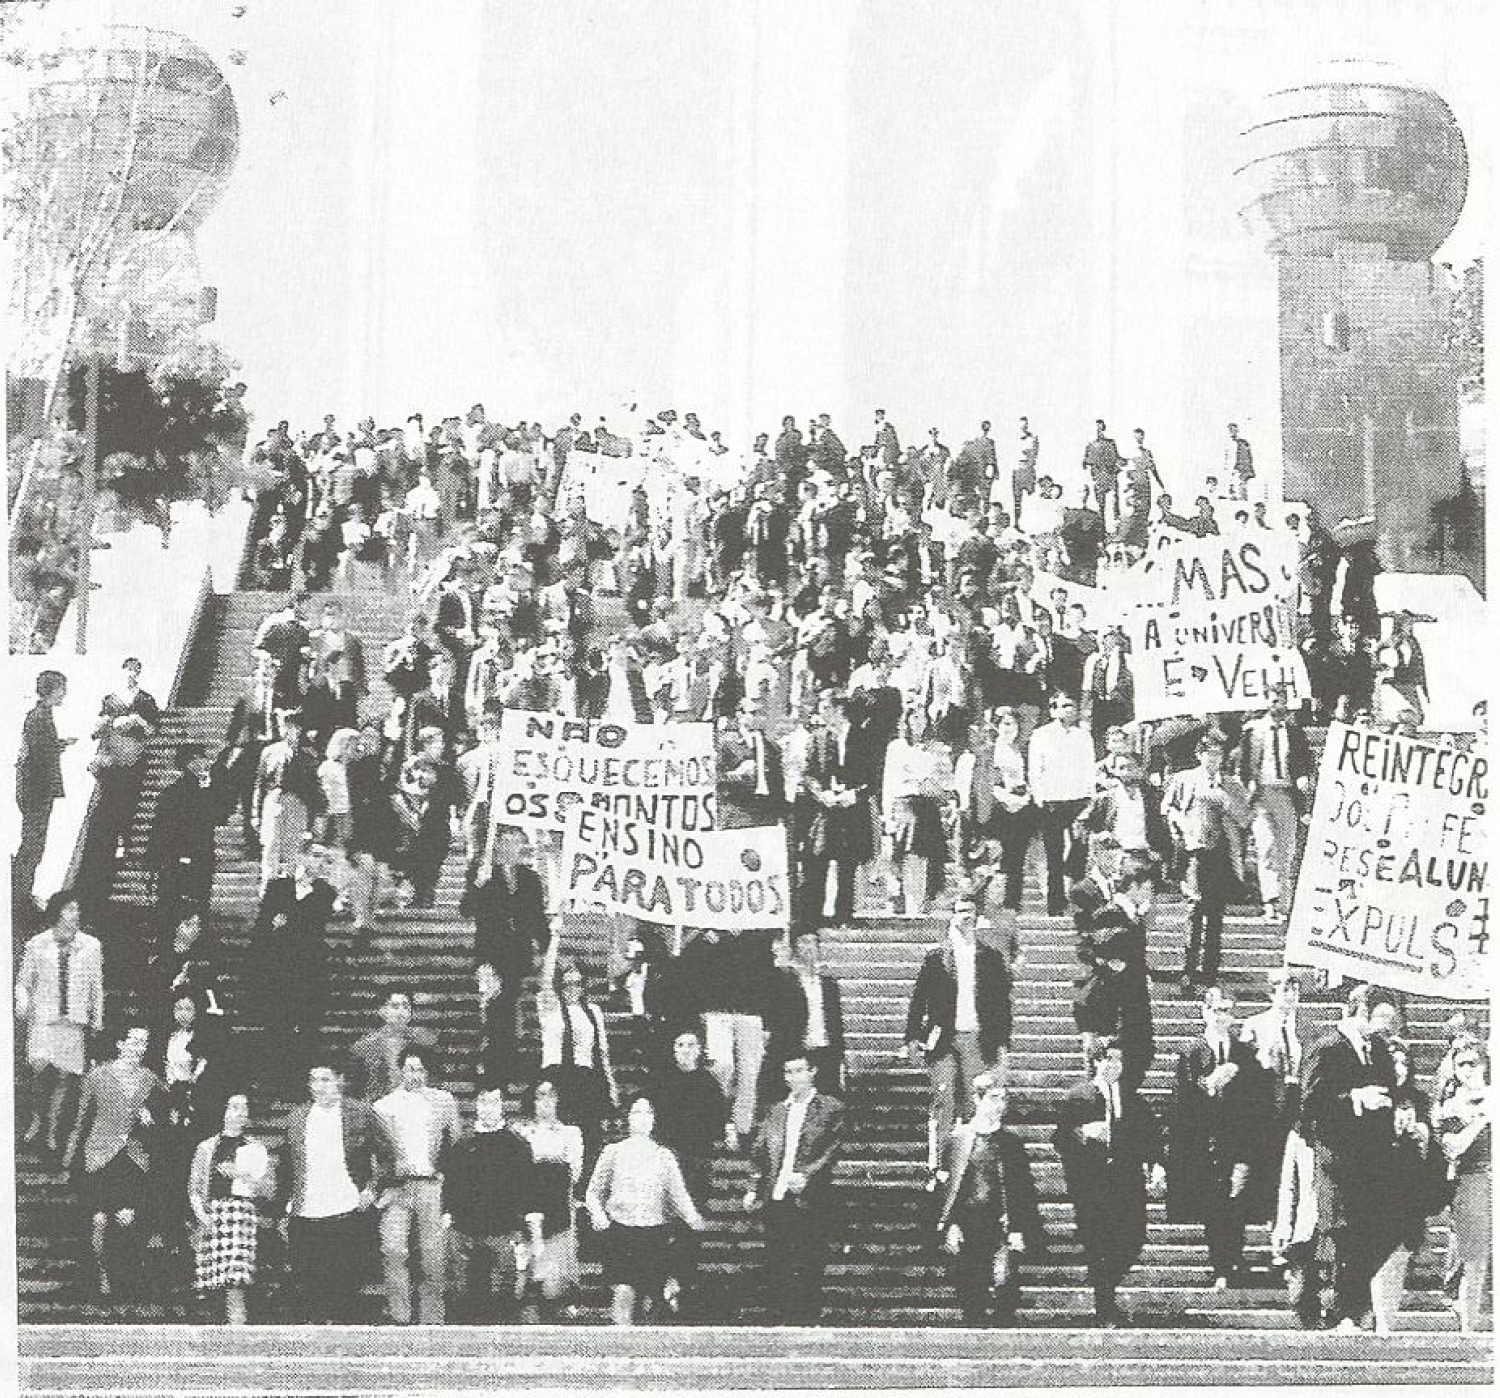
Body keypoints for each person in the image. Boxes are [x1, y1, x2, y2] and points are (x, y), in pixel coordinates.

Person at [1299, 983, 1397, 1332]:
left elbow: (1391, 1094)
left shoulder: (1380, 1050)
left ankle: (1354, 1309)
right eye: (1376, 1018)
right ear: (1355, 1012)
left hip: (1370, 1162)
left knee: (1368, 1232)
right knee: (1339, 1232)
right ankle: (1336, 1311)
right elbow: (1308, 1106)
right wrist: (1355, 1097)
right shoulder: (1326, 1048)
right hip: (1335, 1159)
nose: (1383, 1027)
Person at [1053, 1038, 1165, 1327]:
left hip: (1127, 1183)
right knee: (1098, 1244)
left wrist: (1157, 1165)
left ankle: (1107, 1286)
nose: (1114, 1065)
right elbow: (1060, 1138)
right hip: (1092, 1185)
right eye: (1108, 1059)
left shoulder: (1132, 1098)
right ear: (1096, 1062)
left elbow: (1151, 1137)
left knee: (1134, 1236)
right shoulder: (1077, 1097)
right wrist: (1084, 1132)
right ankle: (1105, 1305)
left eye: (1119, 1059)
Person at [904, 899, 1014, 1178]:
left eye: (970, 913)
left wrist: (1002, 1045)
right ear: (952, 917)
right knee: (944, 1098)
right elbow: (919, 999)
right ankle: (939, 1165)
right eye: (960, 912)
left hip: (977, 1037)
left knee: (972, 1102)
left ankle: (968, 1164)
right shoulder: (937, 956)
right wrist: (912, 1036)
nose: (965, 917)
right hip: (943, 1039)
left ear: (978, 918)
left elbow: (1002, 1005)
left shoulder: (990, 957)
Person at [279, 1058, 394, 1324]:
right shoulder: (297, 1117)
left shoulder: (361, 1112)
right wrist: (285, 1204)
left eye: (325, 1080)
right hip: (306, 1210)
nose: (318, 1086)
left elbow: (388, 1155)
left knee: (345, 1283)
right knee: (308, 1283)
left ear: (340, 1081)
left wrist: (371, 1189)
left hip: (346, 1207)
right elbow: (287, 1163)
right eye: (313, 1080)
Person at [743, 1052, 846, 1326]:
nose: (792, 1078)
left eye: (799, 1071)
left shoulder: (830, 1108)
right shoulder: (776, 1111)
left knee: (809, 1260)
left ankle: (806, 1320)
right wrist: (754, 1186)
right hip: (776, 1196)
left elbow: (832, 1150)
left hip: (809, 1198)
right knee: (778, 1261)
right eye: (788, 1072)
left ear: (812, 1072)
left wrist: (808, 1176)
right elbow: (760, 1152)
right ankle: (781, 1319)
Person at [1166, 986, 1259, 1290]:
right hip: (1203, 1144)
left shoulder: (1243, 1052)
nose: (1223, 1017)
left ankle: (1234, 1259)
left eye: (1228, 1011)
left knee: (1237, 1202)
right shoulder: (1191, 1052)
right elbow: (1181, 1103)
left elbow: (1254, 1101)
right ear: (1205, 1012)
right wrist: (1208, 1084)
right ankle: (1222, 1264)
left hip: (1236, 1140)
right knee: (1215, 1206)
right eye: (1217, 1010)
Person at [935, 1071, 1045, 1327]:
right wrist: (951, 1224)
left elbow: (1023, 1191)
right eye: (993, 1098)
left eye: (1003, 1099)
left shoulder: (1011, 1143)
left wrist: (1019, 1228)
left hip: (999, 1226)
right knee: (970, 1292)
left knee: (1004, 1283)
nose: (999, 1105)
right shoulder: (958, 1140)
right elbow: (950, 1189)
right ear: (978, 1099)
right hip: (968, 1224)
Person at [586, 1095, 708, 1326]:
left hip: (654, 1234)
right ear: (627, 1118)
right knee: (623, 1292)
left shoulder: (664, 1156)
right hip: (621, 1233)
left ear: (654, 1120)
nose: (642, 1118)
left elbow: (679, 1195)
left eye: (647, 1113)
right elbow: (592, 1192)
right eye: (636, 1112)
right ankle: (619, 1346)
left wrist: (692, 1217)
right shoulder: (612, 1152)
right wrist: (598, 1214)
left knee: (650, 1300)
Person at [65, 1024, 162, 1301]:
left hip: (132, 1156)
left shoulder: (149, 1078)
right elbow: (80, 1117)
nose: (139, 1047)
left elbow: (167, 1112)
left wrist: (150, 1113)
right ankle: (100, 1277)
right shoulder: (97, 1075)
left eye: (144, 1042)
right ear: (120, 1043)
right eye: (133, 1040)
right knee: (98, 1219)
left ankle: (126, 1278)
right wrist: (71, 1155)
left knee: (127, 1217)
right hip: (98, 1154)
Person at [373, 1047, 462, 1325]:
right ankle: (400, 1315)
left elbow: (455, 1143)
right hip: (397, 1187)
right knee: (393, 1248)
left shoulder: (443, 1101)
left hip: (431, 1184)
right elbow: (376, 1153)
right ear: (401, 1070)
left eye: (421, 1069)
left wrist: (447, 1176)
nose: (416, 1075)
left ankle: (431, 1318)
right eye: (411, 1068)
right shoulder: (384, 1106)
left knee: (433, 1255)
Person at [646, 1028, 730, 1316]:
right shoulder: (661, 1081)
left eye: (691, 1045)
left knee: (690, 1225)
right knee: (663, 1224)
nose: (685, 1050)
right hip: (668, 1162)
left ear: (699, 1050)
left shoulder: (709, 1083)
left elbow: (719, 1120)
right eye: (679, 1044)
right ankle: (661, 1285)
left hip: (696, 1164)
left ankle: (683, 1282)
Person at [442, 1086, 540, 1323]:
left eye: (494, 1102)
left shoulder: (517, 1145)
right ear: (476, 1105)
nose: (489, 1107)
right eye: (484, 1102)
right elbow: (451, 1185)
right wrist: (448, 1217)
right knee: (463, 1298)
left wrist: (526, 1232)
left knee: (504, 1299)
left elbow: (527, 1191)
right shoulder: (461, 1144)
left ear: (503, 1106)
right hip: (464, 1232)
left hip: (503, 1232)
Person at [16, 892, 104, 1155]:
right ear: (57, 912)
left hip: (73, 1021)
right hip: (44, 1019)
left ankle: (52, 1130)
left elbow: (96, 985)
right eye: (70, 909)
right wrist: (22, 1003)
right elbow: (23, 981)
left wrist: (97, 1017)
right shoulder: (36, 944)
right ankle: (36, 1120)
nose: (75, 914)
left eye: (77, 909)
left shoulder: (91, 945)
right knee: (40, 1072)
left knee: (64, 1078)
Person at [1164, 732, 1250, 988]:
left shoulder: (1232, 784)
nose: (1212, 759)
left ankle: (1210, 971)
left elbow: (1245, 819)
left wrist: (1228, 803)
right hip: (1195, 851)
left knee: (1216, 913)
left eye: (1217, 754)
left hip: (1222, 853)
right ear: (1198, 755)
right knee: (1194, 907)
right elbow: (1167, 808)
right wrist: (1180, 822)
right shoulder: (1184, 778)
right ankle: (1188, 969)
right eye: (1208, 754)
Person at [1369, 1037, 1443, 1336]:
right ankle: (1379, 1321)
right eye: (1392, 1061)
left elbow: (1431, 1148)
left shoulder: (1418, 1098)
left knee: (1400, 1255)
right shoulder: (1375, 1094)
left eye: (1404, 1061)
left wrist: (1421, 1133)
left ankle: (1388, 1320)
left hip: (1409, 1186)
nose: (1398, 1067)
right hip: (1377, 1185)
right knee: (1379, 1253)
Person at [1071, 859, 1156, 1095]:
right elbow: (1091, 949)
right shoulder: (1111, 914)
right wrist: (1110, 962)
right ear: (1134, 887)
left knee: (1140, 1058)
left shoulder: (1133, 916)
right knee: (1118, 1070)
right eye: (1148, 887)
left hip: (1132, 1008)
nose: (1151, 893)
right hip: (1117, 1010)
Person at [189, 1092, 274, 1325]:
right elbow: (195, 1188)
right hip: (213, 1214)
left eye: (243, 1108)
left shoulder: (255, 1148)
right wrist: (201, 1214)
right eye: (233, 1107)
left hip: (240, 1213)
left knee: (235, 1279)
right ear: (223, 1111)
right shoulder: (206, 1147)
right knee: (214, 1281)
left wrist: (240, 1174)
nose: (237, 1112)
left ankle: (238, 1328)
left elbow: (268, 1189)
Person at [537, 934, 619, 1168]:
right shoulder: (549, 1007)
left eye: (577, 983)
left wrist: (611, 1086)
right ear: (560, 986)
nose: (572, 989)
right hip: (556, 1076)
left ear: (584, 986)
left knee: (588, 1137)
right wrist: (553, 937)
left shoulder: (593, 1011)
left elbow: (602, 1051)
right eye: (567, 984)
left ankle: (583, 1192)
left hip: (585, 1078)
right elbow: (545, 979)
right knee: (557, 1135)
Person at [1235, 686, 1313, 921]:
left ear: (1287, 703)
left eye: (1280, 702)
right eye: (1272, 701)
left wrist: (1302, 777)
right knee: (1266, 848)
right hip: (1263, 796)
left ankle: (1285, 904)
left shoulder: (1295, 732)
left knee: (1286, 851)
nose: (1275, 706)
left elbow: (1304, 760)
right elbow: (1244, 765)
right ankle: (1270, 901)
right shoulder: (1253, 731)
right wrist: (1247, 787)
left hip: (1286, 795)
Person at [1238, 969, 1307, 1226]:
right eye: (1285, 990)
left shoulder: (1306, 1027)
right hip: (1265, 1103)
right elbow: (1244, 1067)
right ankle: (1262, 1213)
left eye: (1295, 990)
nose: (1290, 996)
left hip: (1295, 1102)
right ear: (1272, 993)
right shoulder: (1255, 1024)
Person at [513, 1075, 585, 1320]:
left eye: (550, 1095)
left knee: (554, 1286)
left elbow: (573, 1172)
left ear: (559, 1100)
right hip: (527, 1213)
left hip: (559, 1212)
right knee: (528, 1283)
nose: (545, 1101)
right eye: (539, 1096)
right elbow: (519, 1172)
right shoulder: (521, 1131)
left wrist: (540, 1164)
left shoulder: (571, 1133)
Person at [1434, 1038, 1491, 1336]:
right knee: (1474, 1259)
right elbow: (1452, 1148)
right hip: (1472, 1180)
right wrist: (1480, 1121)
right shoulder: (1450, 1105)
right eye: (1461, 1064)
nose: (1468, 1069)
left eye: (1473, 1062)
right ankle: (1469, 1329)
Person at [880, 708, 956, 916]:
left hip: (928, 807)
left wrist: (931, 784)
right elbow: (891, 781)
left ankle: (920, 905)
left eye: (923, 718)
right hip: (905, 805)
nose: (918, 722)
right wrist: (888, 815)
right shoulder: (896, 747)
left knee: (925, 858)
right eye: (914, 717)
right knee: (908, 855)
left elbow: (943, 780)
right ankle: (906, 902)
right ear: (906, 720)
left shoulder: (935, 748)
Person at [1029, 692, 1096, 916]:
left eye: (1071, 705)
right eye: (1062, 705)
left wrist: (1090, 799)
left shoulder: (1083, 736)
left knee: (1079, 849)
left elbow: (1089, 768)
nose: (1067, 710)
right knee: (1053, 855)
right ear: (1053, 709)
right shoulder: (1041, 735)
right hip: (1052, 802)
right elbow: (1035, 769)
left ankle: (1077, 899)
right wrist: (1040, 798)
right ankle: (1055, 905)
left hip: (1078, 800)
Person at [14, 669, 72, 916]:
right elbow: (36, 758)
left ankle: (22, 895)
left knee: (34, 845)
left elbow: (38, 751)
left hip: (36, 791)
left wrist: (58, 745)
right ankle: (19, 899)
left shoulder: (40, 715)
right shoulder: (39, 717)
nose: (65, 693)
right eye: (62, 688)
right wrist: (55, 748)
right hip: (37, 792)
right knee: (33, 847)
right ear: (52, 690)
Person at [147, 746, 224, 926]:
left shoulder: (174, 792)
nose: (205, 763)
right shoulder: (182, 793)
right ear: (189, 763)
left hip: (190, 860)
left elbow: (218, 817)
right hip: (185, 860)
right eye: (200, 759)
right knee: (188, 909)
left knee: (182, 909)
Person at [767, 928, 846, 1098]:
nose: (809, 947)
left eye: (813, 943)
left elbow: (836, 1023)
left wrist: (840, 1060)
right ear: (796, 947)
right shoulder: (786, 983)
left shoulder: (828, 984)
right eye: (804, 942)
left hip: (825, 1051)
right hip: (798, 1050)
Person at [252, 709, 326, 891]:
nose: (286, 730)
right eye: (283, 726)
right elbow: (259, 784)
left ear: (298, 729)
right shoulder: (269, 752)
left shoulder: (308, 755)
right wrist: (255, 813)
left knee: (293, 850)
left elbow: (315, 787)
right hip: (274, 801)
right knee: (271, 846)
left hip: (296, 802)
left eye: (291, 727)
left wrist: (318, 814)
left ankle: (288, 890)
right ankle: (267, 888)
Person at [351, 990, 440, 1103]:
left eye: (405, 1007)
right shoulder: (365, 1047)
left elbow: (433, 1080)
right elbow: (358, 1090)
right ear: (382, 1011)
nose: (401, 1012)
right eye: (395, 1006)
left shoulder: (424, 1042)